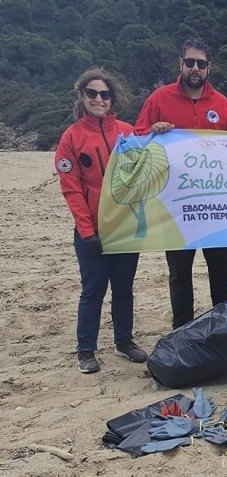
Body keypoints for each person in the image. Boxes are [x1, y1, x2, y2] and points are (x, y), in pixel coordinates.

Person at [134, 38, 227, 329]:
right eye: (190, 62)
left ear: (209, 67)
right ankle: (182, 330)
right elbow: (136, 140)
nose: (195, 68)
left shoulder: (222, 103)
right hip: (176, 206)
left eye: (201, 63)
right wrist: (152, 131)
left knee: (222, 270)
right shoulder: (159, 99)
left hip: (217, 206)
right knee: (179, 274)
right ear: (181, 64)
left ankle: (225, 329)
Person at [55, 69, 147, 373]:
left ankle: (124, 341)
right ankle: (86, 349)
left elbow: (144, 172)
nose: (98, 98)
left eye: (104, 94)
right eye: (92, 93)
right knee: (93, 289)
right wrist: (86, 231)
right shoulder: (71, 137)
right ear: (82, 96)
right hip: (91, 231)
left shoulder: (127, 131)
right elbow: (72, 190)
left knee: (124, 288)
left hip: (124, 229)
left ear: (111, 98)